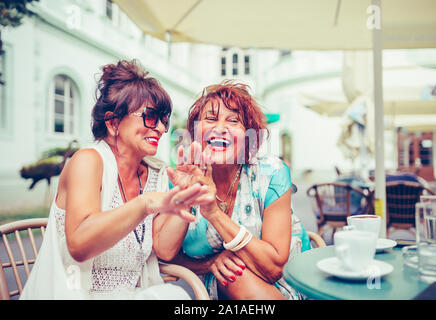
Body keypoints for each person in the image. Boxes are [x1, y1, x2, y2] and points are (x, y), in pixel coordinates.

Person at [20, 60, 212, 300]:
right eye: (151, 117)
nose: (161, 128)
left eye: (164, 119)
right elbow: (80, 245)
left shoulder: (156, 173)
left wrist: (187, 196)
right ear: (113, 123)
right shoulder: (88, 161)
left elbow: (164, 248)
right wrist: (144, 204)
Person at [167, 81, 311, 300]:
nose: (220, 128)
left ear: (247, 137)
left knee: (235, 274)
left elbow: (274, 269)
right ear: (196, 131)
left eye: (233, 120)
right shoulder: (182, 178)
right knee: (234, 274)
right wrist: (210, 263)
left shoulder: (271, 173)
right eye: (211, 118)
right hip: (219, 282)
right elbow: (165, 256)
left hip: (289, 282)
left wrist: (214, 214)